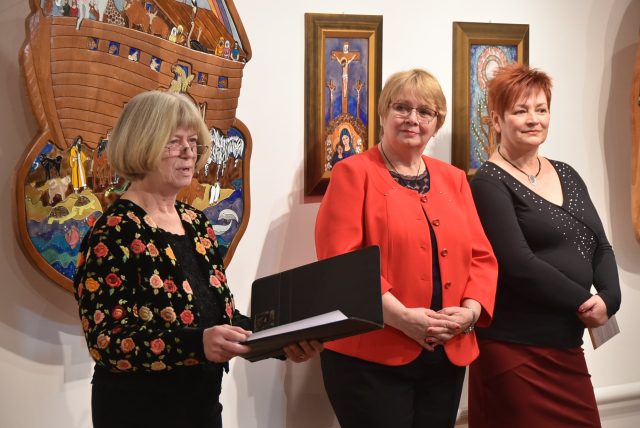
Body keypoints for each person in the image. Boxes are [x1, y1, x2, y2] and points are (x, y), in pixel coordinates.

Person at [73, 91, 322, 428]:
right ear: (140, 144)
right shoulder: (114, 230)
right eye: (174, 142)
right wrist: (197, 344)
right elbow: (106, 340)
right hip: (138, 412)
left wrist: (282, 340)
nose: (188, 151)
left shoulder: (196, 223)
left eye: (193, 142)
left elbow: (219, 317)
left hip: (201, 408)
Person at [315, 69, 498, 428]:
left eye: (425, 111)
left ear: (436, 122)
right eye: (401, 107)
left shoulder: (454, 179)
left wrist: (470, 313)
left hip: (446, 353)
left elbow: (481, 257)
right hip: (370, 356)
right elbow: (341, 263)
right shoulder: (352, 173)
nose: (413, 119)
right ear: (383, 112)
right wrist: (402, 318)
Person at [468, 64, 622, 428]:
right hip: (515, 353)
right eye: (520, 111)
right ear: (496, 119)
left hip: (567, 347)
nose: (533, 119)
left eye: (541, 109)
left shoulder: (566, 172)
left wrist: (609, 299)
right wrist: (585, 302)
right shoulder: (488, 183)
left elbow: (600, 246)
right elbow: (519, 265)